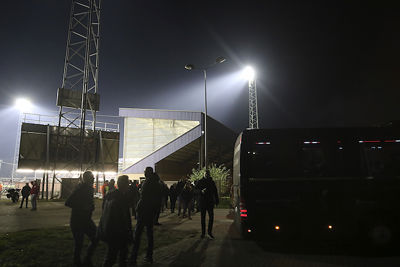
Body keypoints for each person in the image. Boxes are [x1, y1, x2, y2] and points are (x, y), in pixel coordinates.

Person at [129, 167, 162, 265]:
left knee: (138, 234)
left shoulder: (147, 183)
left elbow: (143, 197)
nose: (144, 173)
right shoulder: (157, 183)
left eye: (145, 172)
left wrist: (138, 208)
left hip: (144, 211)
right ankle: (149, 256)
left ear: (148, 173)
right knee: (149, 234)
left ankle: (133, 257)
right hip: (150, 211)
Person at [98, 175, 132, 267]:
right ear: (124, 185)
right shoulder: (121, 198)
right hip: (117, 232)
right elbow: (122, 217)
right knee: (116, 256)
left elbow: (104, 211)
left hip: (109, 229)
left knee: (113, 255)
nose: (128, 185)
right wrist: (127, 231)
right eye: (127, 183)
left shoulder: (110, 195)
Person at [65, 171, 98, 267]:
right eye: (92, 177)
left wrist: (90, 206)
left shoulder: (89, 188)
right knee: (79, 243)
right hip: (78, 221)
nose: (94, 179)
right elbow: (68, 202)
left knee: (95, 238)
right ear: (87, 178)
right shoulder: (81, 188)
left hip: (86, 220)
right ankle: (78, 262)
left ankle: (87, 259)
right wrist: (83, 207)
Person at [195, 170, 219, 239]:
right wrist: (201, 191)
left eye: (208, 174)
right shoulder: (200, 181)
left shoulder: (212, 182)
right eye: (205, 174)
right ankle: (203, 233)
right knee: (203, 218)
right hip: (203, 202)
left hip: (210, 202)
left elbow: (215, 191)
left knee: (211, 217)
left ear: (209, 174)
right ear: (204, 174)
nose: (207, 175)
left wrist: (217, 200)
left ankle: (209, 232)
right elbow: (195, 190)